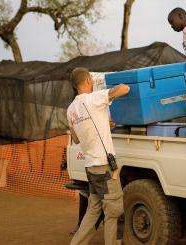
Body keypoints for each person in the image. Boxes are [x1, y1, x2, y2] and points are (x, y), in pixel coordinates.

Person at [67, 67, 130, 245]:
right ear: (88, 81)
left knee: (94, 209)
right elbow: (123, 89)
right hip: (105, 168)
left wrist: (103, 125)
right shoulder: (94, 98)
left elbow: (76, 138)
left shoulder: (71, 109)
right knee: (113, 213)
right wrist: (126, 82)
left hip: (91, 168)